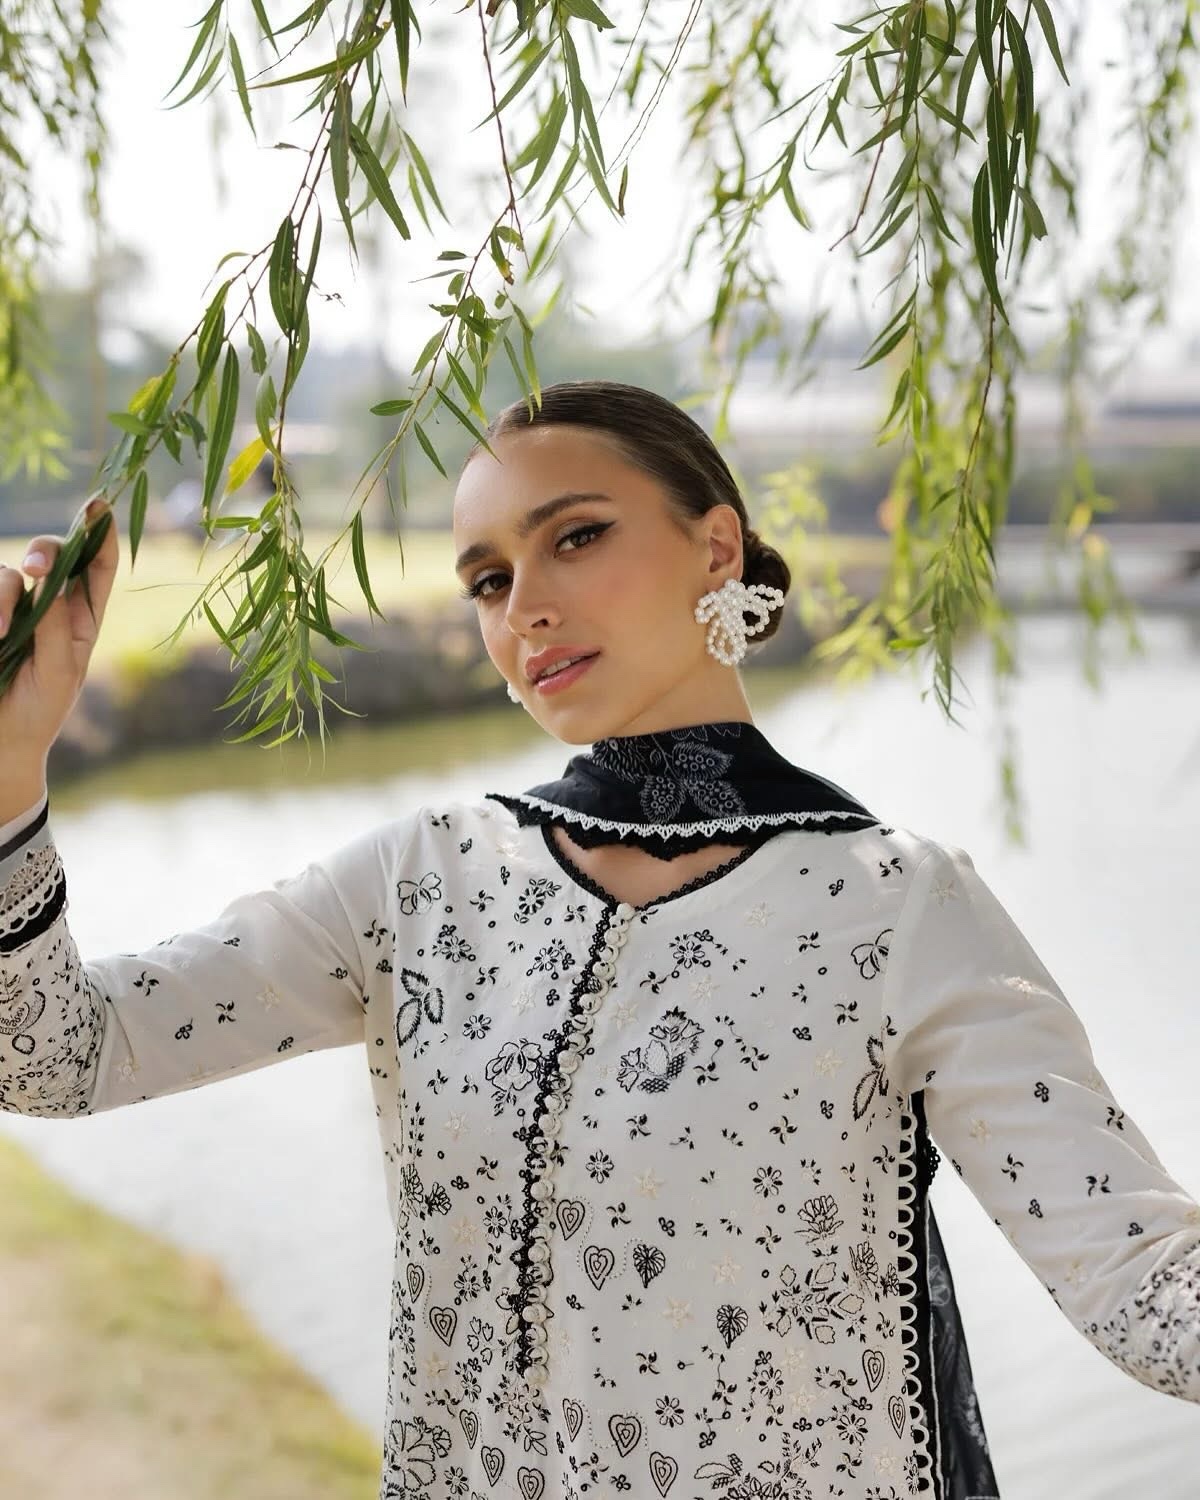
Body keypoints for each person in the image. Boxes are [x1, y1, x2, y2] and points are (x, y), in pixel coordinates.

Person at [0, 379, 1197, 1500]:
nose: (526, 606)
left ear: (716, 549)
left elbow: (1143, 1292)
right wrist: (11, 775)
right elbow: (57, 1055)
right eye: (487, 579)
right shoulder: (422, 883)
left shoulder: (896, 908)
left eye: (575, 536)